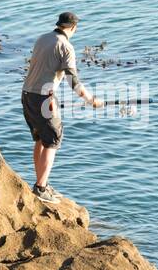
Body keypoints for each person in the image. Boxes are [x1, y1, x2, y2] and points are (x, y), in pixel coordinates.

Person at [20, 11, 103, 202]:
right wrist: (91, 100)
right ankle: (40, 187)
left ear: (59, 24)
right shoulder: (66, 47)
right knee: (53, 141)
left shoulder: (42, 38)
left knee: (40, 139)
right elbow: (73, 81)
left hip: (26, 95)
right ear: (73, 27)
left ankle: (41, 183)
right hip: (43, 99)